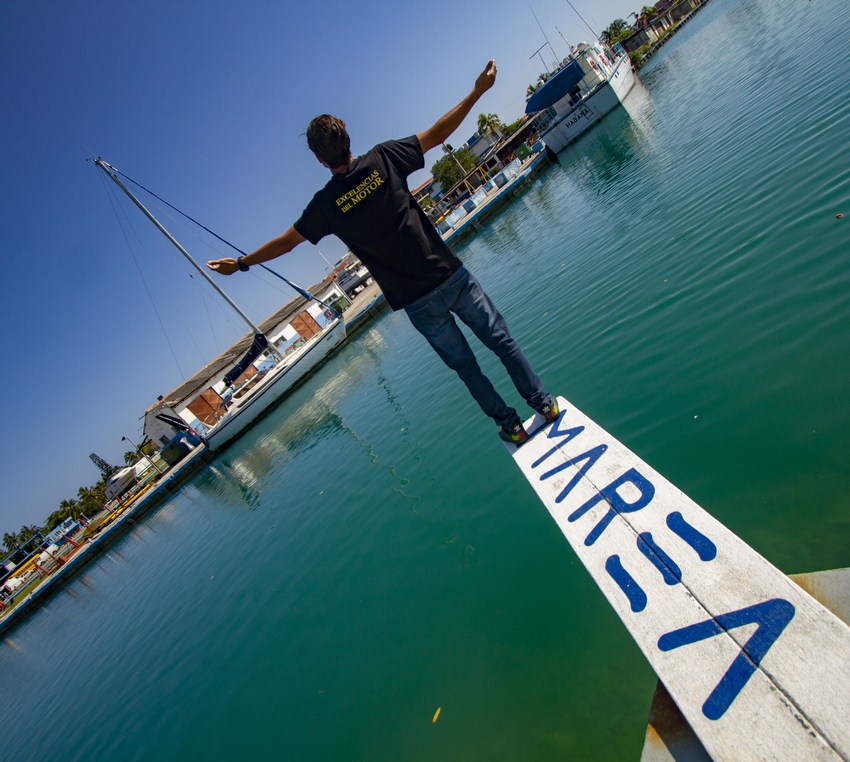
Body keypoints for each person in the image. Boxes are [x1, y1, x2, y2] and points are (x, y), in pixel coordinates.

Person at [207, 60, 557, 446]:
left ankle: (511, 425)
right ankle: (543, 404)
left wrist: (241, 264)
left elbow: (287, 241)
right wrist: (478, 91)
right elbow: (438, 134)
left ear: (319, 159)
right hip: (450, 276)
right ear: (348, 140)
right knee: (501, 340)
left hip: (417, 302)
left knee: (467, 369)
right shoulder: (384, 158)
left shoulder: (325, 205)